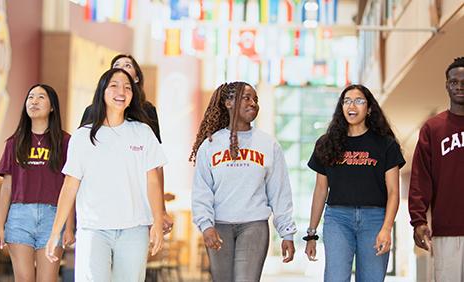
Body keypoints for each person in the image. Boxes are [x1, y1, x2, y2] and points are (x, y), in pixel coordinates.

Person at [45, 68, 166, 281]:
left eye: (128, 87)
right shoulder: (83, 136)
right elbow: (70, 186)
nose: (122, 91)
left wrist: (157, 220)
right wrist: (55, 232)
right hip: (93, 229)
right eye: (114, 85)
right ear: (102, 91)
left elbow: (153, 181)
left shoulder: (143, 132)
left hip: (134, 229)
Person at [190, 81, 297, 282]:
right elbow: (201, 190)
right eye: (246, 98)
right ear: (228, 103)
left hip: (254, 225)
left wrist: (287, 233)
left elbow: (280, 191)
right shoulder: (210, 145)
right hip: (219, 225)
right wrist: (206, 225)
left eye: (255, 99)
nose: (253, 103)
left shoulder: (268, 144)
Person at [305, 84, 405, 281]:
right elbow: (320, 190)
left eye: (359, 101)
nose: (352, 105)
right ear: (341, 108)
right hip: (338, 219)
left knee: (372, 278)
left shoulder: (386, 144)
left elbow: (393, 192)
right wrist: (311, 233)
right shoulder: (326, 143)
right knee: (336, 278)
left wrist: (386, 229)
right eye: (347, 101)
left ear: (368, 109)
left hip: (375, 219)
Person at [81, 54, 173, 235]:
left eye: (128, 65)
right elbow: (81, 161)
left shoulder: (147, 111)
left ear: (136, 77)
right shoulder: (92, 111)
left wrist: (160, 210)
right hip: (101, 200)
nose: (122, 67)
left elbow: (156, 165)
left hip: (136, 199)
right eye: (116, 64)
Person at [0, 84, 75, 282]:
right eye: (30, 97)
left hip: (53, 218)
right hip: (19, 217)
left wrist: (70, 226)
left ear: (52, 107)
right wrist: (0, 226)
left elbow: (71, 186)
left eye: (41, 97)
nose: (34, 101)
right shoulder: (14, 142)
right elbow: (6, 186)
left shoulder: (65, 142)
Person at [409, 57, 464, 281]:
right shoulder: (433, 128)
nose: (459, 86)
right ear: (446, 85)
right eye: (454, 82)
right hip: (446, 230)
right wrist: (418, 220)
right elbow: (420, 178)